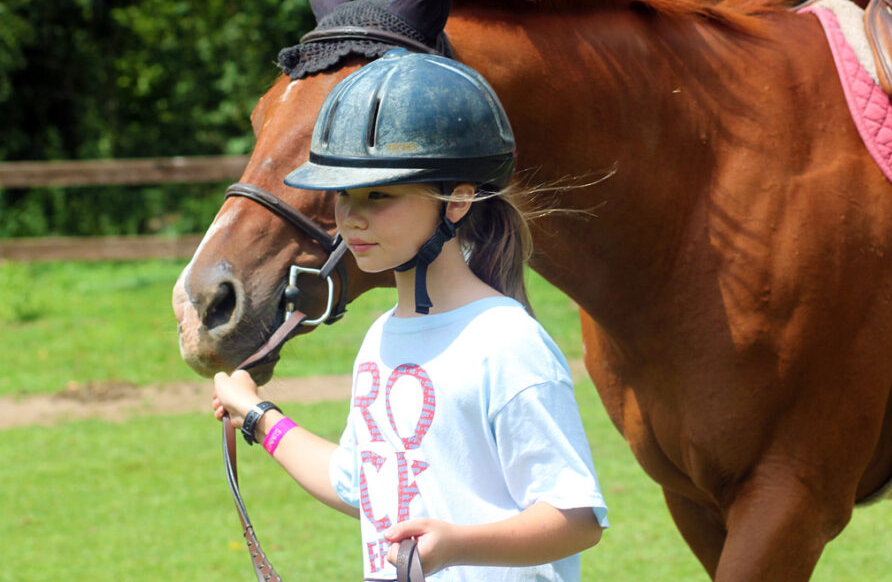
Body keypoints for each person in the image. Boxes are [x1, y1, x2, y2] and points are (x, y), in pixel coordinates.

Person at [212, 50, 608, 581]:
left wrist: (458, 544)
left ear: (457, 202)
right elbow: (362, 484)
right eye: (344, 195)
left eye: (380, 194)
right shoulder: (380, 338)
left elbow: (576, 518)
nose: (352, 216)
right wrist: (258, 415)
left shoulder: (506, 342)